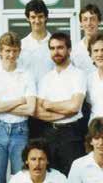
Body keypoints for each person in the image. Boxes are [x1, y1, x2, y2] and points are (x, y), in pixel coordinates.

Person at [0, 32, 36, 183]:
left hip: (20, 130)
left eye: (14, 51)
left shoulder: (26, 74)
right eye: (7, 51)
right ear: (0, 52)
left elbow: (30, 109)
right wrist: (20, 100)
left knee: (20, 180)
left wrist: (1, 105)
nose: (11, 55)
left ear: (19, 51)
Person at [35, 32, 87, 175]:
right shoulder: (46, 78)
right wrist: (66, 112)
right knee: (51, 177)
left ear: (69, 49)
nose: (56, 52)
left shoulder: (78, 75)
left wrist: (49, 105)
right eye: (52, 48)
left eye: (60, 47)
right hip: (49, 134)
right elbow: (38, 112)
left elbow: (75, 106)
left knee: (72, 178)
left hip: (71, 133)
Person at [18, 0, 54, 85]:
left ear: (46, 17)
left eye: (40, 16)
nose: (37, 21)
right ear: (27, 18)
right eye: (33, 17)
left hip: (51, 92)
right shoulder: (21, 45)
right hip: (28, 92)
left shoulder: (55, 44)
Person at [71, 3, 101, 74]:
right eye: (85, 19)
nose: (89, 23)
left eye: (92, 19)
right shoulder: (75, 50)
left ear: (99, 21)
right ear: (81, 23)